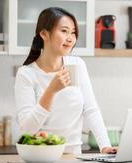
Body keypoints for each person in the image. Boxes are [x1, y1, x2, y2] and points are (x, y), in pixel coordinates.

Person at [14, 7, 117, 154]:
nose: (70, 38)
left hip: (74, 157)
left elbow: (91, 110)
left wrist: (105, 146)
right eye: (64, 31)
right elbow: (27, 129)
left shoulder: (77, 65)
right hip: (40, 158)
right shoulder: (26, 74)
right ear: (44, 33)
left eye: (73, 32)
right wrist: (51, 91)